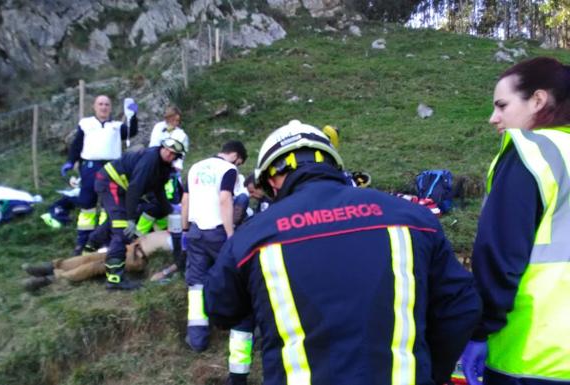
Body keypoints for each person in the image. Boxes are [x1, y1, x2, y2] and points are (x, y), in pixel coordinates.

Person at [204, 120, 482, 385]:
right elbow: (461, 306)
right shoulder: (413, 219)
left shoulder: (253, 237)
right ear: (332, 164)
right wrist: (431, 370)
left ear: (272, 180)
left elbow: (219, 308)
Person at [461, 57, 570, 385]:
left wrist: (479, 330)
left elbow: (500, 254)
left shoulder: (533, 153)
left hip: (532, 358)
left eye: (502, 105)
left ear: (538, 100)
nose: (493, 118)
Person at [181, 140, 252, 383]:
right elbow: (225, 199)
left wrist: (184, 229)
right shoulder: (228, 170)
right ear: (234, 155)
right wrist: (231, 234)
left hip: (195, 232)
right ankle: (233, 326)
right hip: (217, 232)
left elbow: (185, 201)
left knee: (196, 285)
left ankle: (197, 339)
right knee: (232, 282)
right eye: (239, 162)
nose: (239, 167)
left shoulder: (195, 167)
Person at [95, 134, 185, 290]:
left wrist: (170, 211)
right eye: (166, 150)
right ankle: (115, 279)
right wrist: (130, 218)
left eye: (172, 154)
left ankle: (92, 244)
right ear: (161, 147)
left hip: (120, 186)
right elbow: (135, 188)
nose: (168, 154)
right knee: (122, 228)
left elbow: (158, 190)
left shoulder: (164, 167)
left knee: (116, 223)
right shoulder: (150, 160)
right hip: (111, 182)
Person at [54, 95, 139, 255]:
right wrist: (70, 162)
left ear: (110, 108)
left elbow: (131, 132)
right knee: (87, 204)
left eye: (107, 104)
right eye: (100, 104)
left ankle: (102, 241)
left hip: (112, 168)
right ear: (94, 106)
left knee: (110, 205)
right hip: (90, 167)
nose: (103, 107)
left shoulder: (116, 126)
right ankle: (82, 242)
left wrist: (133, 116)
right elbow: (77, 144)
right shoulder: (86, 123)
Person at [21, 231, 173, 291]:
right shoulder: (182, 224)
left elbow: (183, 259)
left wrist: (165, 272)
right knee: (90, 257)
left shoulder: (189, 241)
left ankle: (52, 278)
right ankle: (50, 267)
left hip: (137, 258)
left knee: (95, 266)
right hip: (131, 246)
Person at [149, 105, 188, 171]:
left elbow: (181, 154)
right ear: (168, 118)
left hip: (170, 165)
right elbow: (153, 145)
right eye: (173, 120)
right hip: (154, 161)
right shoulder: (159, 127)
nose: (175, 123)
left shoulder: (181, 134)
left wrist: (176, 165)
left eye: (177, 120)